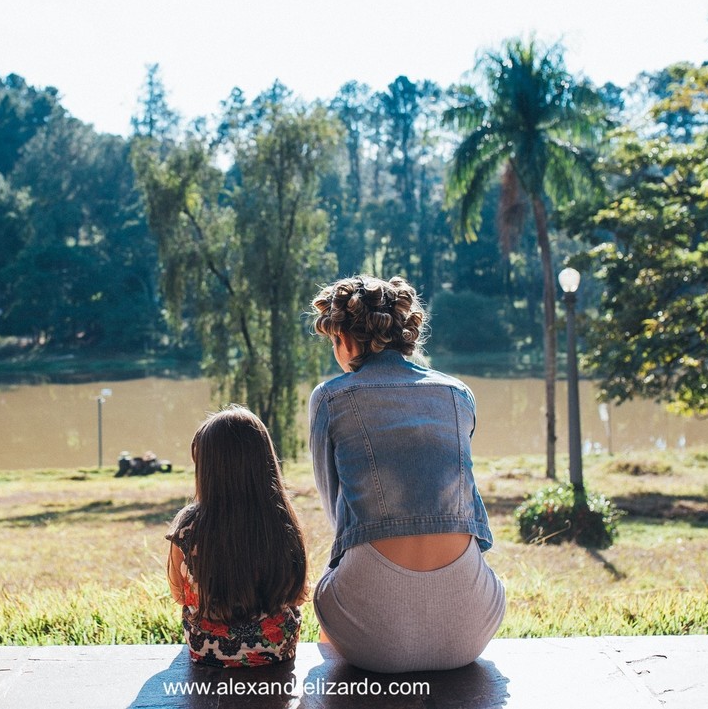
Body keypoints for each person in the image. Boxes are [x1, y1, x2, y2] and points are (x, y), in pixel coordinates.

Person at [308, 275, 505, 672]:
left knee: (330, 581)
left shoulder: (329, 397)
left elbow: (337, 516)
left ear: (344, 339)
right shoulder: (458, 394)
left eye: (333, 342)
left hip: (372, 644)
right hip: (469, 631)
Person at [166, 405, 308, 667]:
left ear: (207, 471)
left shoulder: (188, 526)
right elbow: (298, 596)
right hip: (277, 649)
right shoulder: (280, 520)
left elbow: (180, 596)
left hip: (208, 649)